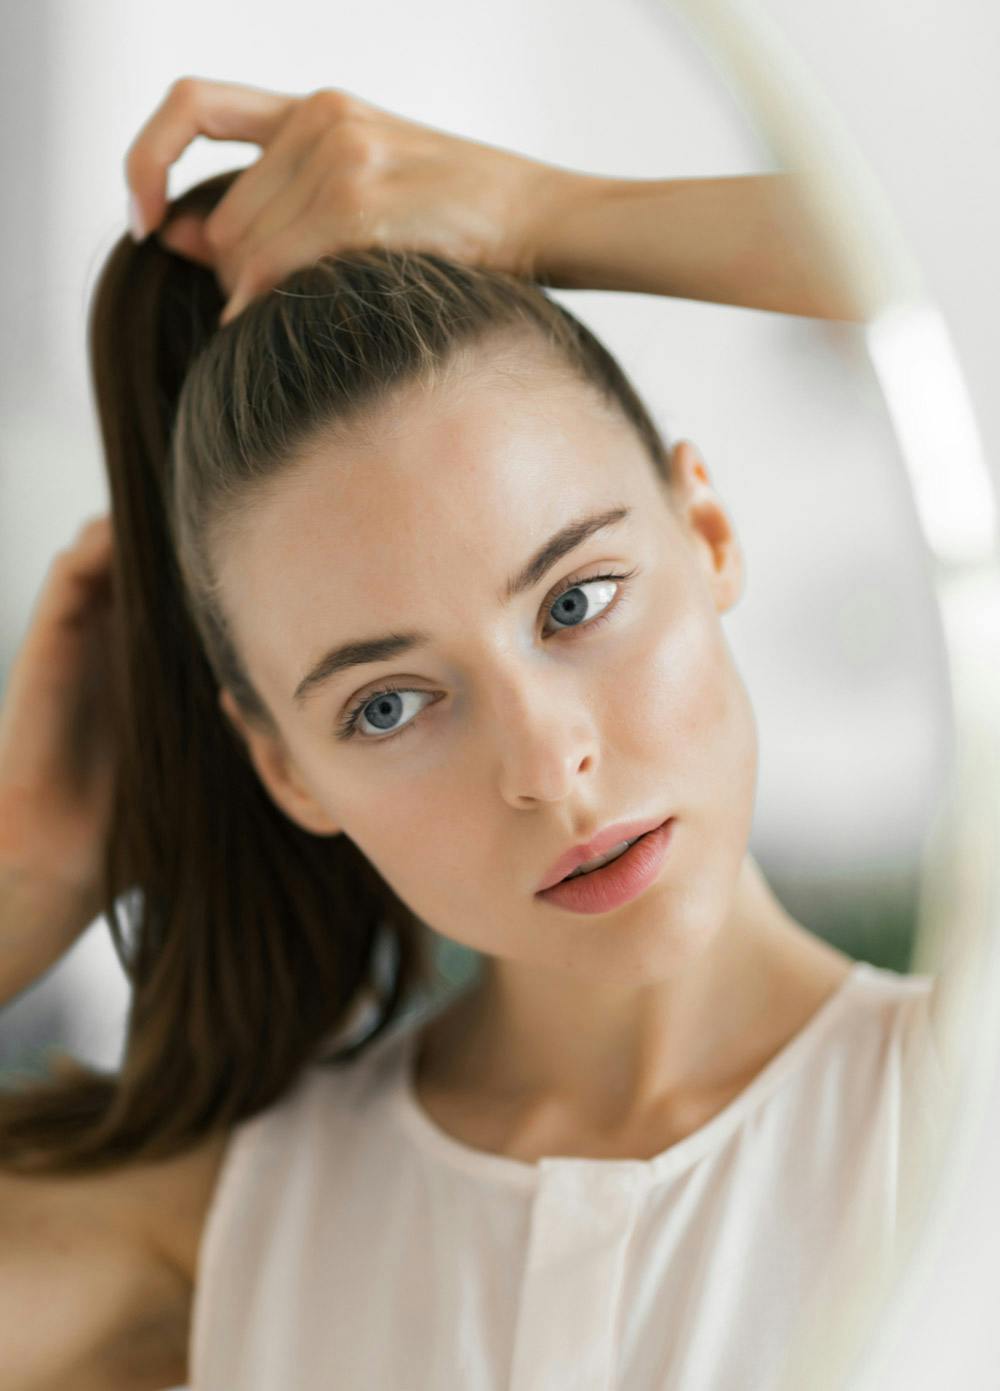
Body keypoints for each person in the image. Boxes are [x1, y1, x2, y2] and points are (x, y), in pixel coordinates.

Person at [0, 78, 944, 1391]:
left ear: (708, 534)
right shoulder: (215, 1233)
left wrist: (557, 215)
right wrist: (27, 883)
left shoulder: (960, 1121)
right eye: (385, 705)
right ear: (284, 766)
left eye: (577, 602)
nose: (548, 765)